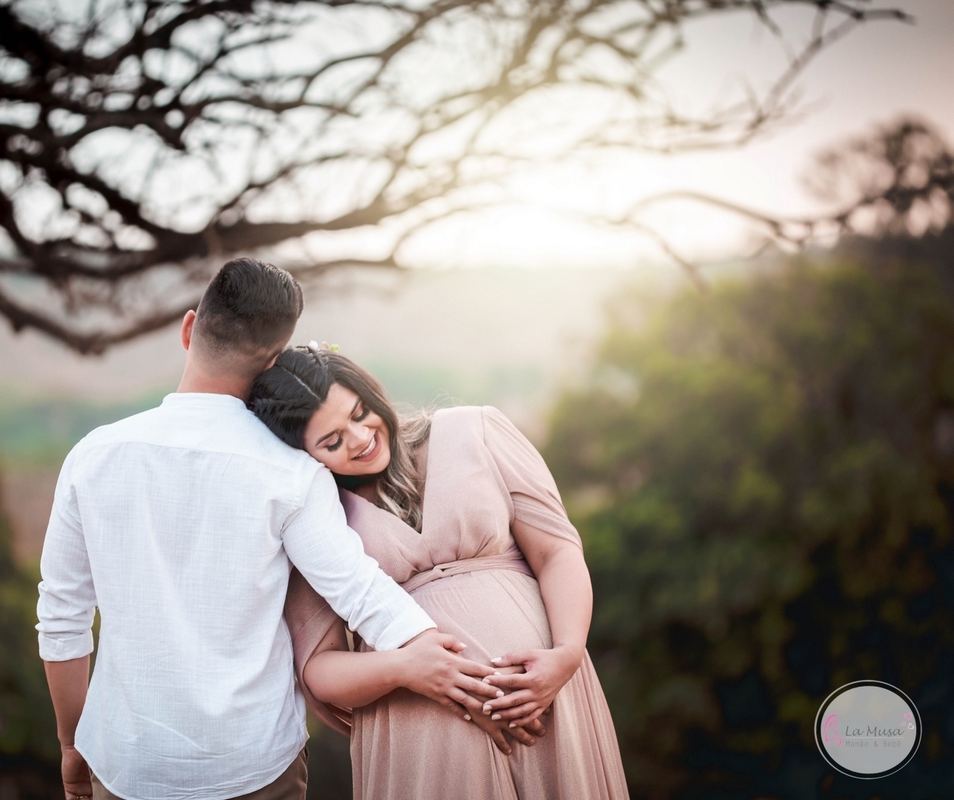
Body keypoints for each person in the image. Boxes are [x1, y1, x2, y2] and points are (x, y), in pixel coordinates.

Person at [35, 258, 499, 800]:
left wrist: (71, 745)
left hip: (128, 765)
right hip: (255, 770)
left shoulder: (92, 457)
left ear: (189, 330)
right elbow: (358, 589)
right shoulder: (293, 473)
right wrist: (441, 663)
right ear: (273, 364)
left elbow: (62, 618)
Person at [248, 345, 632, 799]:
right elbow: (320, 668)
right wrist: (406, 669)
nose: (359, 438)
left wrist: (566, 654)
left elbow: (556, 552)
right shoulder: (312, 520)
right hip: (424, 738)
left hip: (547, 697)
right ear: (303, 456)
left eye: (360, 412)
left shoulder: (477, 430)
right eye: (332, 441)